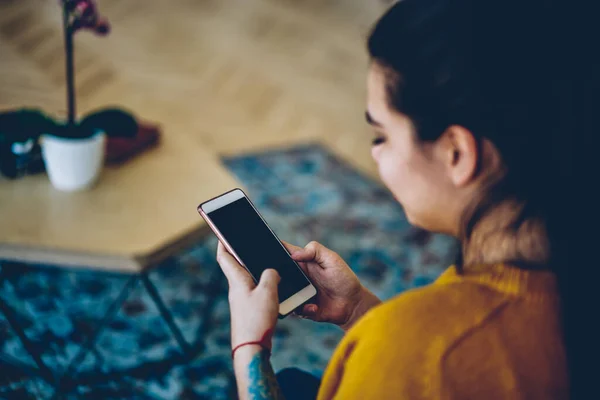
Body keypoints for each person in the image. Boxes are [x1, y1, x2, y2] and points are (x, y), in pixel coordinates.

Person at [215, 0, 590, 398]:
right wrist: (358, 310)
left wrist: (250, 350)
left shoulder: (416, 352)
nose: (375, 153)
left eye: (383, 136)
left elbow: (421, 365)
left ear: (456, 153)